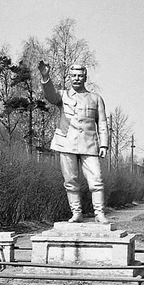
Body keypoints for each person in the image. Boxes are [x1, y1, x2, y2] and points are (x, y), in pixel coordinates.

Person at [38, 61, 110, 224]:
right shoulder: (62, 96)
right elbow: (50, 95)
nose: (76, 79)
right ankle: (76, 213)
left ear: (85, 78)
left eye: (80, 76)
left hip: (90, 145)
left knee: (97, 180)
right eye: (73, 76)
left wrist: (104, 144)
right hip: (66, 143)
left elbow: (103, 123)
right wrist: (45, 77)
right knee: (70, 181)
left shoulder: (96, 99)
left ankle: (99, 214)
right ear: (69, 78)